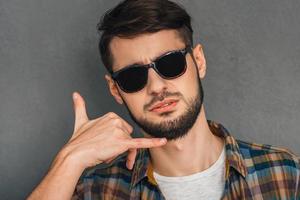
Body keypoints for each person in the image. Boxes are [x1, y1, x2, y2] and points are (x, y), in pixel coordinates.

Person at [28, 0, 300, 199]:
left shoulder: (285, 174)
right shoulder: (96, 189)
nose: (156, 87)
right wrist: (70, 159)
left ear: (199, 61)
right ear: (115, 90)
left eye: (170, 64)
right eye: (133, 77)